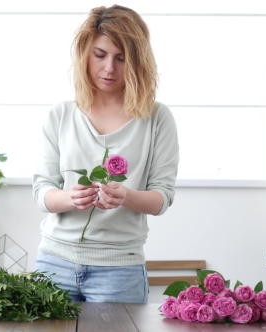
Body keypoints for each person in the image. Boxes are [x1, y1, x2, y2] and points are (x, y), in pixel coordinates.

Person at [32, 4, 179, 303]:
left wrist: (127, 196)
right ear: (85, 55)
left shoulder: (157, 119)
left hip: (119, 270)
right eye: (100, 55)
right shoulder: (60, 115)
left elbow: (162, 197)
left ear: (137, 62)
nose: (109, 68)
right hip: (53, 264)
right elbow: (41, 191)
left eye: (121, 58)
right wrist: (71, 198)